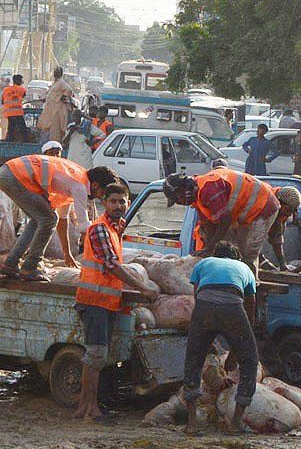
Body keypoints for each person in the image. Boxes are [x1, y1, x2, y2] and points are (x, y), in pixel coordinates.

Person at [74, 183, 158, 422]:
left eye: (122, 202)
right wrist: (143, 287)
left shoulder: (115, 228)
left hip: (106, 301)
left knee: (99, 356)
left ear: (128, 204)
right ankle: (89, 408)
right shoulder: (100, 228)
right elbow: (111, 265)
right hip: (95, 301)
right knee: (96, 355)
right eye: (113, 201)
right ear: (104, 203)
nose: (118, 206)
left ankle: (86, 406)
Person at [181, 242, 261, 434]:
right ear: (236, 258)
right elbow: (250, 306)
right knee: (250, 361)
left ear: (216, 254)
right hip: (233, 307)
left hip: (204, 308)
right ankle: (235, 422)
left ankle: (192, 423)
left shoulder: (204, 263)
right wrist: (237, 348)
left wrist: (203, 337)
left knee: (193, 360)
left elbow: (198, 296)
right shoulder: (245, 268)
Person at [0, 155, 117, 281]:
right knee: (48, 219)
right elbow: (84, 227)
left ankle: (10, 264)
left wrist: (67, 253)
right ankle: (29, 266)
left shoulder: (74, 180)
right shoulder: (80, 187)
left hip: (10, 172)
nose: (101, 197)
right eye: (103, 193)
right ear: (95, 185)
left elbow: (62, 220)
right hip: (16, 174)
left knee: (40, 219)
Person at [162, 169, 281, 272]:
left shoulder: (209, 188)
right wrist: (208, 249)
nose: (179, 203)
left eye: (177, 200)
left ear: (181, 191)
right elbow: (208, 225)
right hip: (244, 212)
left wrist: (210, 248)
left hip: (263, 206)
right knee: (231, 249)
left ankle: (250, 290)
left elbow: (225, 220)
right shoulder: (197, 196)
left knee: (247, 253)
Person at [263, 186, 301, 270]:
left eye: (292, 211)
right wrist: (263, 262)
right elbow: (251, 242)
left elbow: (276, 237)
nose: (289, 214)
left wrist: (282, 264)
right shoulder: (264, 206)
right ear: (279, 203)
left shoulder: (282, 214)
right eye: (288, 209)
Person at [38, 67, 74, 143]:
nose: (55, 73)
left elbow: (69, 90)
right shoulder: (55, 83)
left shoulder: (61, 83)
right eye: (55, 72)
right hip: (51, 111)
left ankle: (55, 148)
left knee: (56, 132)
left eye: (57, 72)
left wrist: (63, 97)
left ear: (61, 73)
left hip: (57, 111)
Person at [3, 74, 29, 142]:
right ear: (18, 81)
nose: (21, 82)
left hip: (9, 113)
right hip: (18, 113)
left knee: (11, 128)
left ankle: (9, 142)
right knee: (23, 128)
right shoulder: (22, 89)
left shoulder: (6, 90)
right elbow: (23, 96)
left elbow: (3, 101)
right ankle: (26, 141)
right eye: (21, 81)